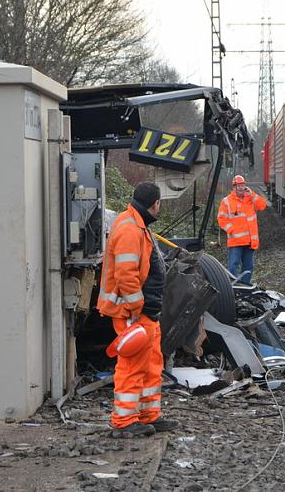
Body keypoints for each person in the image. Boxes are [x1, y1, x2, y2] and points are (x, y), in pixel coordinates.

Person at [96, 181, 179, 438]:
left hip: (145, 312)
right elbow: (126, 276)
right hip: (132, 312)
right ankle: (124, 420)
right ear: (155, 204)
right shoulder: (130, 229)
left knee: (152, 364)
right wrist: (135, 309)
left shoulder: (135, 225)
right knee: (132, 366)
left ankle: (148, 414)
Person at [217, 175, 268, 284]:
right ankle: (233, 287)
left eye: (242, 185)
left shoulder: (250, 199)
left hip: (249, 242)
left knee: (248, 267)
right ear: (233, 187)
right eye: (238, 186)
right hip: (235, 242)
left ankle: (245, 286)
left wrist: (253, 195)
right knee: (232, 267)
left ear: (245, 186)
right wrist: (232, 230)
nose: (240, 188)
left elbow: (263, 206)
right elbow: (221, 219)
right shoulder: (226, 201)